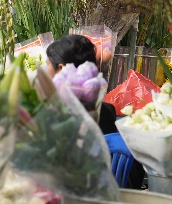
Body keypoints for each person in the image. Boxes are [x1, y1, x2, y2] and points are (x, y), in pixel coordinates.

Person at [45, 34, 143, 189]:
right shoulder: (106, 112)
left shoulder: (55, 116)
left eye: (47, 65)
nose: (45, 71)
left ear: (61, 69)